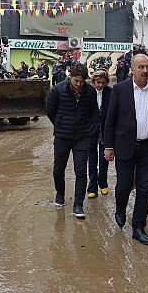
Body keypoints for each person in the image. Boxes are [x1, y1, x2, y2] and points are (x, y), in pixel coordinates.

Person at [104, 54, 148, 246]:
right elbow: (110, 119)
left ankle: (138, 227)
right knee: (123, 186)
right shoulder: (119, 89)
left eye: (147, 67)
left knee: (144, 188)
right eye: (141, 67)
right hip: (124, 146)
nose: (145, 71)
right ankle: (120, 208)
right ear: (132, 69)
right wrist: (108, 146)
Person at [46, 63, 97, 218]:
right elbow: (50, 111)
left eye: (81, 81)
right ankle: (60, 193)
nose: (78, 84)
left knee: (81, 171)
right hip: (62, 136)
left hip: (82, 136)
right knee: (58, 168)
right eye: (76, 81)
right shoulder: (57, 90)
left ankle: (78, 205)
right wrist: (61, 125)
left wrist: (86, 127)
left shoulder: (90, 92)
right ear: (70, 77)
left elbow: (92, 112)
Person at [87, 69, 112, 199]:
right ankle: (91, 187)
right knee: (92, 161)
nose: (100, 85)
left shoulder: (111, 93)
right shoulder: (89, 93)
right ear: (94, 81)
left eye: (103, 83)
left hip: (105, 131)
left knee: (104, 160)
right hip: (91, 131)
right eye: (98, 82)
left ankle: (103, 183)